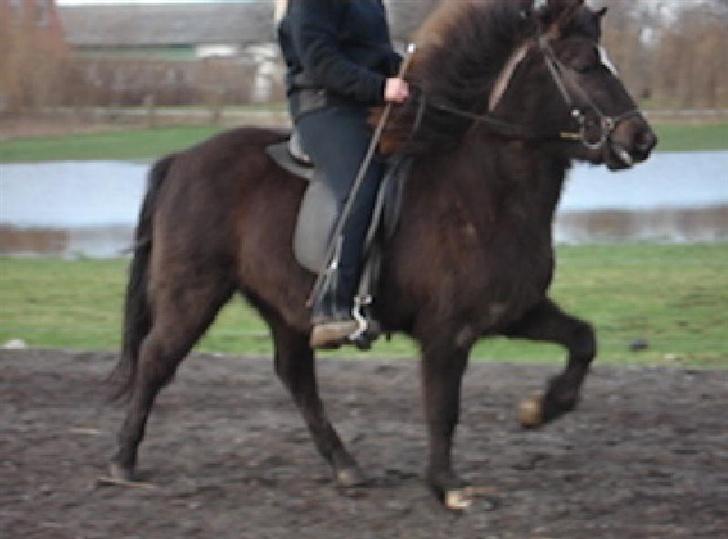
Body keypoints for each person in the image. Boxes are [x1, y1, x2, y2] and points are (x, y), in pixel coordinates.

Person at [278, 0, 409, 348]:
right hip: (324, 106)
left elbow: (379, 56)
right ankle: (334, 301)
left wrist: (411, 75)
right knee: (361, 184)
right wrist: (381, 88)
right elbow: (320, 62)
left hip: (367, 104)